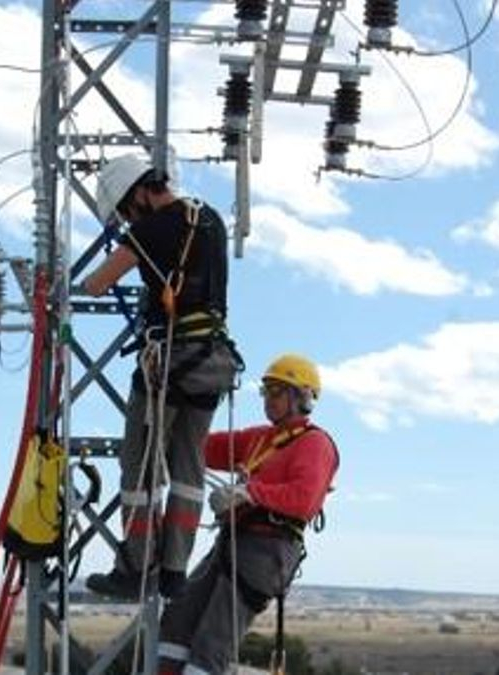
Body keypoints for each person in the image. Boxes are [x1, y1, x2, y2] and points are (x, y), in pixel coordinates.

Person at [82, 153, 240, 600]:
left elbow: (97, 283)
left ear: (137, 194)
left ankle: (135, 567)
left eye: (126, 211)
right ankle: (173, 571)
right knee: (189, 469)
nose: (127, 219)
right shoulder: (208, 219)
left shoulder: (152, 227)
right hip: (212, 362)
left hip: (169, 364)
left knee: (140, 468)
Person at [157, 353, 339, 675]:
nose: (268, 399)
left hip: (267, 549)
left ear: (301, 397)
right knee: (177, 619)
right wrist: (171, 428)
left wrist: (250, 492)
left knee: (212, 642)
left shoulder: (315, 444)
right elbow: (202, 447)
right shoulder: (260, 439)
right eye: (265, 391)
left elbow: (304, 499)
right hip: (233, 542)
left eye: (277, 391)